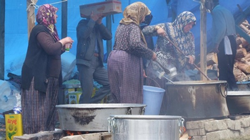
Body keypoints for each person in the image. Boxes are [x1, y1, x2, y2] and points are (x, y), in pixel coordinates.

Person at [21, 4, 73, 134]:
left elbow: (53, 52)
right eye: (54, 13)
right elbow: (50, 48)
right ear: (47, 15)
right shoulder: (40, 30)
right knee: (37, 111)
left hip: (51, 77)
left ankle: (47, 134)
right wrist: (63, 41)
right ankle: (35, 135)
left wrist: (63, 48)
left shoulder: (50, 31)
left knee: (48, 110)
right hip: (37, 76)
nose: (56, 16)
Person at [108, 2, 157, 103]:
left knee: (117, 93)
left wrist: (141, 68)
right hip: (126, 62)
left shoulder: (121, 24)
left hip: (114, 58)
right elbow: (135, 45)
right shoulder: (133, 26)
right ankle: (128, 117)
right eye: (143, 14)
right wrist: (150, 54)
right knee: (129, 93)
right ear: (138, 13)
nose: (144, 17)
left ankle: (117, 116)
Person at [142, 11, 196, 87]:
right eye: (189, 23)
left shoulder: (189, 36)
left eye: (192, 25)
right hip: (160, 70)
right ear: (182, 21)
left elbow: (192, 52)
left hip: (177, 73)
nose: (190, 26)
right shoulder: (167, 28)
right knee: (160, 94)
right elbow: (144, 31)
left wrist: (192, 57)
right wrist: (156, 29)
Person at [76, 12, 112, 103]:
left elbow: (109, 36)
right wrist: (92, 20)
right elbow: (84, 35)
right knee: (88, 91)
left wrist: (99, 23)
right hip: (86, 61)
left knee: (111, 84)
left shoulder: (97, 26)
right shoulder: (82, 23)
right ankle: (81, 113)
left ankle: (91, 104)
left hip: (98, 62)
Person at [205, 0, 238, 90]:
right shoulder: (226, 10)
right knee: (228, 66)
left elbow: (222, 29)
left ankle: (229, 89)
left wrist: (216, 43)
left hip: (224, 41)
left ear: (211, 3)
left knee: (224, 68)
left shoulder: (216, 11)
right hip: (231, 40)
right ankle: (230, 89)